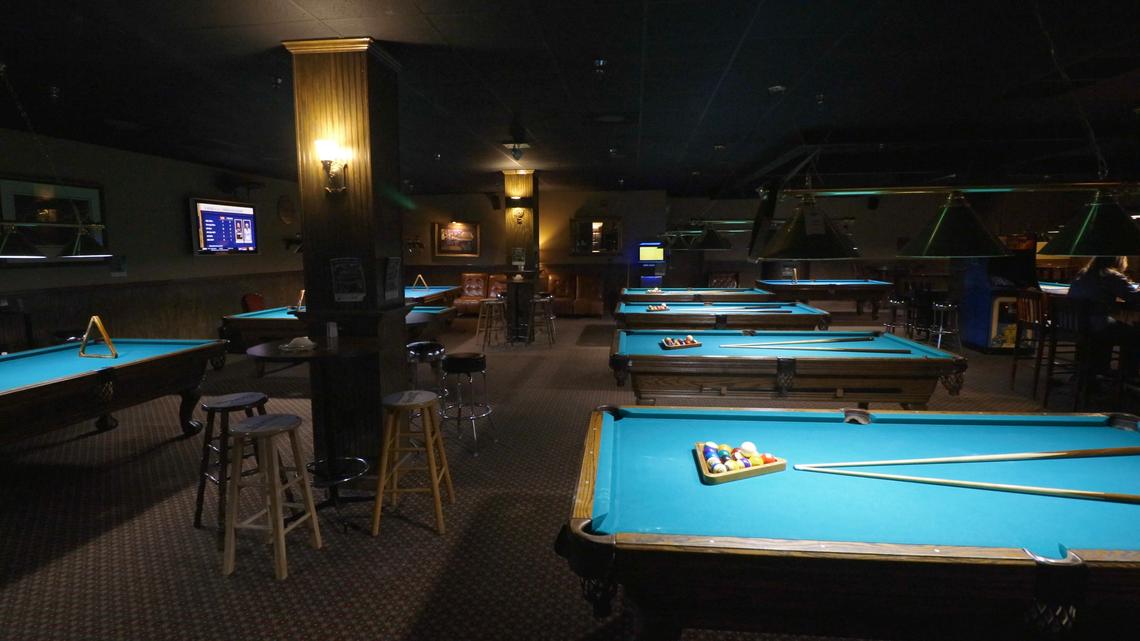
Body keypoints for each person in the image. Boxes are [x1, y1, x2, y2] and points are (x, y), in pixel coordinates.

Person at [1066, 256, 1140, 380]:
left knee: (1114, 326)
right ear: (1119, 260)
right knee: (1135, 332)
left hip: (1073, 325)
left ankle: (1094, 370)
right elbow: (1133, 298)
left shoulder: (1082, 274)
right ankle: (1127, 374)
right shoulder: (1112, 276)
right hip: (1095, 326)